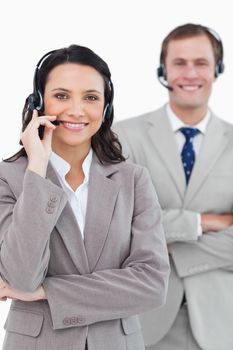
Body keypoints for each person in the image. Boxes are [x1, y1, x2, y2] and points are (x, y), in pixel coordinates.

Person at [0, 45, 170, 350]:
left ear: (106, 108)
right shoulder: (9, 177)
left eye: (91, 97)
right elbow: (22, 277)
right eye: (62, 96)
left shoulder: (133, 180)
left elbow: (152, 285)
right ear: (38, 101)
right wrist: (37, 169)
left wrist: (47, 292)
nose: (77, 110)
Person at [114, 23, 233, 350]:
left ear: (217, 69)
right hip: (143, 322)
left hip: (221, 327)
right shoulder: (124, 136)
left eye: (201, 63)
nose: (190, 73)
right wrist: (202, 223)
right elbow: (118, 225)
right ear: (163, 70)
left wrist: (159, 246)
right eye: (179, 63)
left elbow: (141, 234)